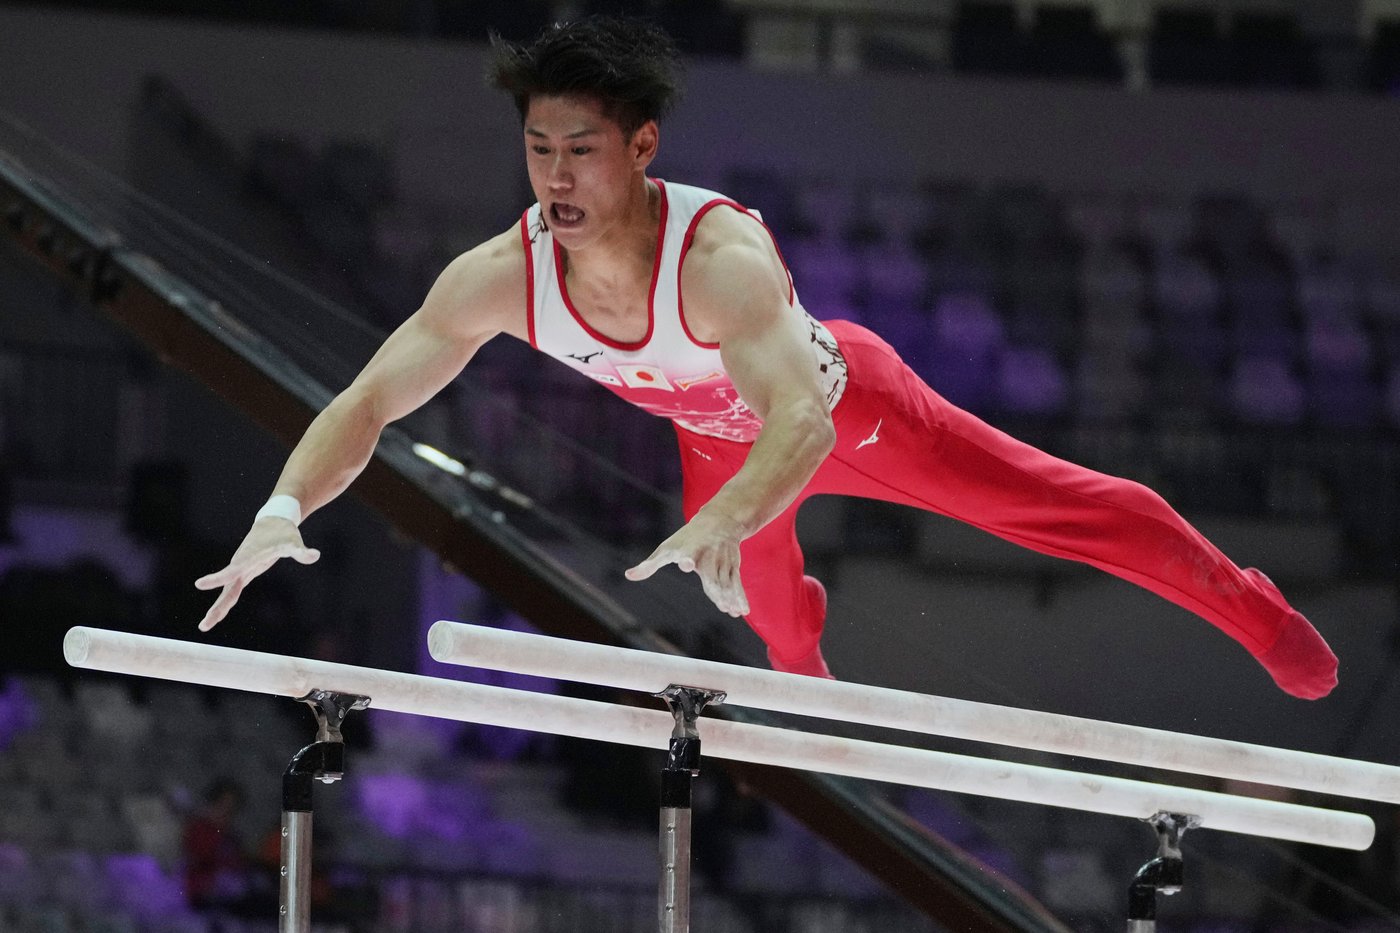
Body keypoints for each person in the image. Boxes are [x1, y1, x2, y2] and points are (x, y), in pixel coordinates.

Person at [195, 17, 1338, 699]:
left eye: (581, 150)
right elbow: (370, 399)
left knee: (1059, 507)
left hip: (849, 411)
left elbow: (797, 423)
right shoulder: (497, 274)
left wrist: (731, 515)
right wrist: (283, 506)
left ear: (641, 147)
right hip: (716, 443)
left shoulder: (718, 259)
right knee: (777, 630)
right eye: (538, 148)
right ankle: (807, 682)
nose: (554, 177)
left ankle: (1252, 609)